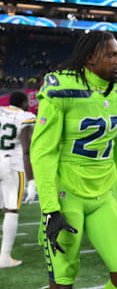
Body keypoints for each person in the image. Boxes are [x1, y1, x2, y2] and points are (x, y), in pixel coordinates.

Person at [30, 31, 117, 289]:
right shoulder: (63, 87)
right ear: (90, 58)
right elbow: (43, 150)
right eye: (111, 55)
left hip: (103, 193)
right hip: (67, 195)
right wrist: (49, 209)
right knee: (63, 278)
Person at [0, 91, 35, 268]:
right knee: (11, 211)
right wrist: (31, 179)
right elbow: (27, 150)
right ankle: (4, 257)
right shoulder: (26, 116)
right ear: (23, 103)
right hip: (13, 166)